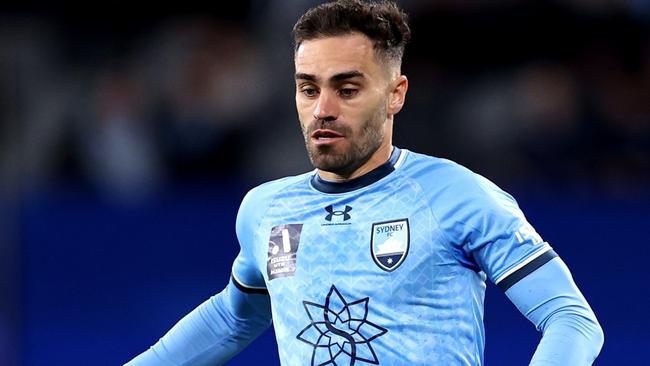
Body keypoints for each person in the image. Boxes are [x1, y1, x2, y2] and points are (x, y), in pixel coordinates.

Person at [125, 1, 604, 365]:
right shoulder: (266, 209)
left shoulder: (456, 195)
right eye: (308, 88)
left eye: (347, 89)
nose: (323, 109)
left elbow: (572, 320)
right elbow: (233, 317)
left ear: (395, 94)